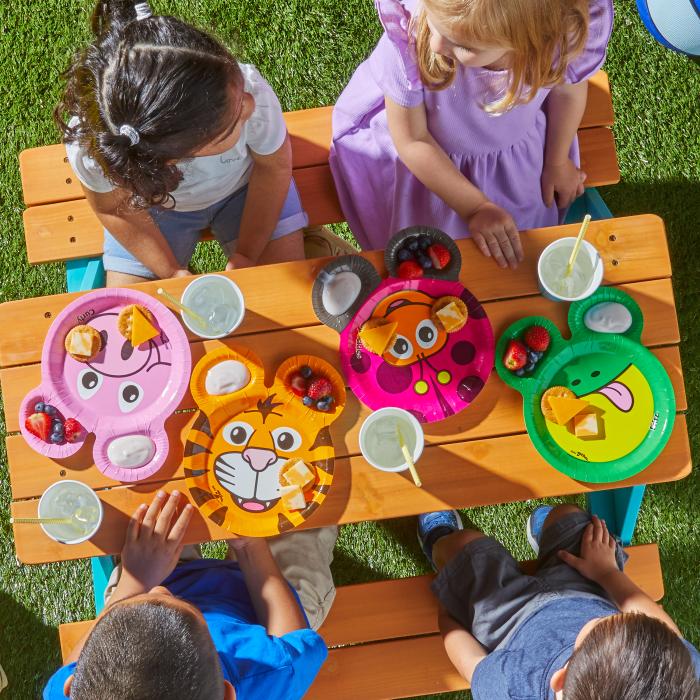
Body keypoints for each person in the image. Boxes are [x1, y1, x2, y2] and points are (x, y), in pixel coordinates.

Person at [330, 0, 613, 269]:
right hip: (428, 165)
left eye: (463, 45)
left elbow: (567, 92)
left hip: (512, 161)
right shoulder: (412, 39)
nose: (437, 44)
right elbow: (412, 139)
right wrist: (475, 207)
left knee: (515, 252)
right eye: (434, 20)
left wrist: (556, 161)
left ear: (525, 39)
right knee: (430, 256)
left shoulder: (556, 40)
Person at [55, 0, 307, 286]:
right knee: (135, 312)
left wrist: (248, 254)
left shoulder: (244, 90)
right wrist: (170, 271)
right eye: (229, 127)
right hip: (150, 209)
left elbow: (272, 169)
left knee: (281, 289)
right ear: (171, 158)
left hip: (248, 188)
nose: (250, 106)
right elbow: (113, 207)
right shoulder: (102, 146)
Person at [43, 491, 336, 699]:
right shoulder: (265, 674)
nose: (161, 589)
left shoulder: (77, 693)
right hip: (264, 609)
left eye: (153, 597)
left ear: (72, 687)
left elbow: (74, 661)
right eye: (173, 599)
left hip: (141, 581)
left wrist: (135, 581)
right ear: (226, 692)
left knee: (150, 505)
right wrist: (250, 547)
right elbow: (293, 640)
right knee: (304, 522)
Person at [417, 504, 700, 698]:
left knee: (463, 547)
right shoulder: (683, 676)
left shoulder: (516, 691)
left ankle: (440, 540)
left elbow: (474, 666)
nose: (595, 618)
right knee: (569, 516)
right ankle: (552, 544)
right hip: (590, 587)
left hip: (510, 623)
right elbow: (667, 632)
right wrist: (607, 572)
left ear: (560, 680)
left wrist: (449, 614)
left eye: (596, 626)